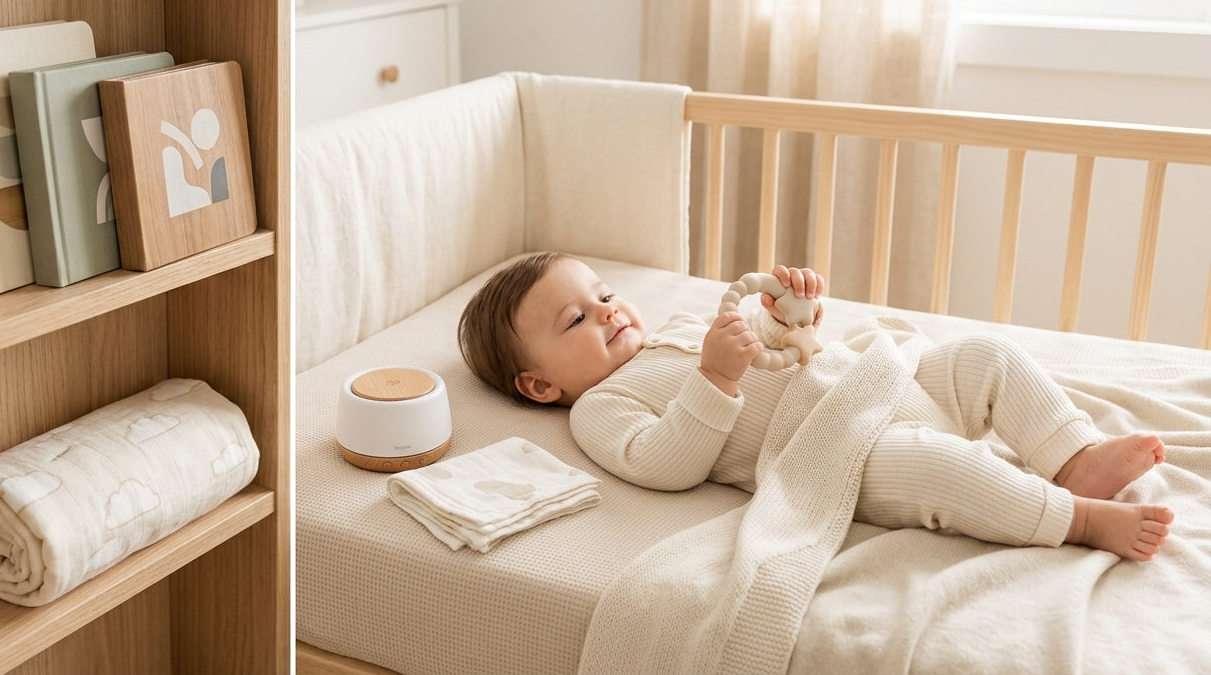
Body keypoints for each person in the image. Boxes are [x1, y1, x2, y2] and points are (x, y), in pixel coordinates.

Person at [457, 251, 1175, 561]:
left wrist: (791, 310)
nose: (608, 314)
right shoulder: (600, 409)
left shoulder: (677, 328)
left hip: (878, 385)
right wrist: (714, 379)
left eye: (605, 296)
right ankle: (1078, 519)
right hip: (834, 454)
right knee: (938, 468)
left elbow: (785, 346)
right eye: (576, 322)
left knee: (984, 357)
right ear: (540, 386)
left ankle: (1072, 455)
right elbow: (665, 465)